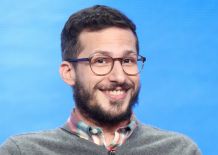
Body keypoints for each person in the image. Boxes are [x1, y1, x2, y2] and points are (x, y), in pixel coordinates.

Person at [0, 5, 201, 155]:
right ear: (69, 72)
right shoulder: (22, 151)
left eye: (127, 60)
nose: (119, 76)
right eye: (101, 60)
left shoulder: (180, 150)